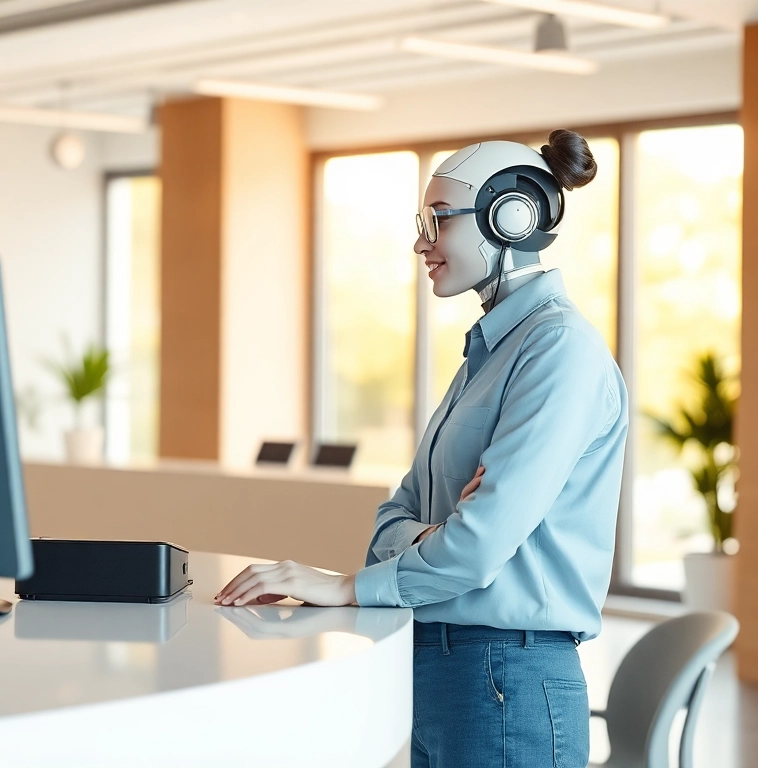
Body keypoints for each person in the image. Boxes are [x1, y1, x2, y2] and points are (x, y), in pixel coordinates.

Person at [216, 130, 627, 768]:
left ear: (509, 217)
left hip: (506, 677)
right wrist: (438, 532)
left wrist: (350, 586)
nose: (420, 243)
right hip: (448, 667)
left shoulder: (558, 350)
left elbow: (477, 547)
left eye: (437, 221)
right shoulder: (489, 354)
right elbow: (394, 515)